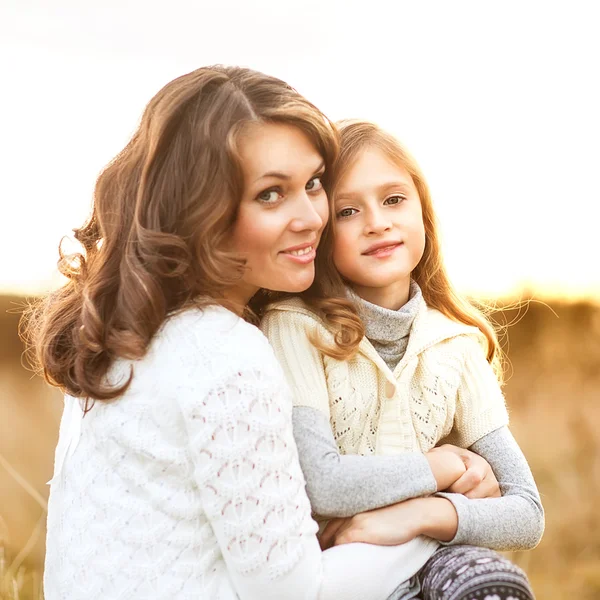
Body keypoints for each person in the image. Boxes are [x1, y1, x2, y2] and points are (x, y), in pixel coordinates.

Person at [24, 69, 435, 600]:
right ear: (201, 212)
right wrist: (426, 525)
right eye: (270, 195)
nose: (313, 216)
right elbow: (292, 593)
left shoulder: (121, 333)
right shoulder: (225, 354)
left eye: (312, 183)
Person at [260, 120, 545, 600]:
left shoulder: (456, 344)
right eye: (349, 210)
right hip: (338, 571)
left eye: (393, 199)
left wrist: (418, 514)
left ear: (423, 212)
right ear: (323, 234)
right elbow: (323, 485)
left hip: (428, 553)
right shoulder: (295, 328)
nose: (377, 221)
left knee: (494, 586)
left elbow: (527, 512)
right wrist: (441, 467)